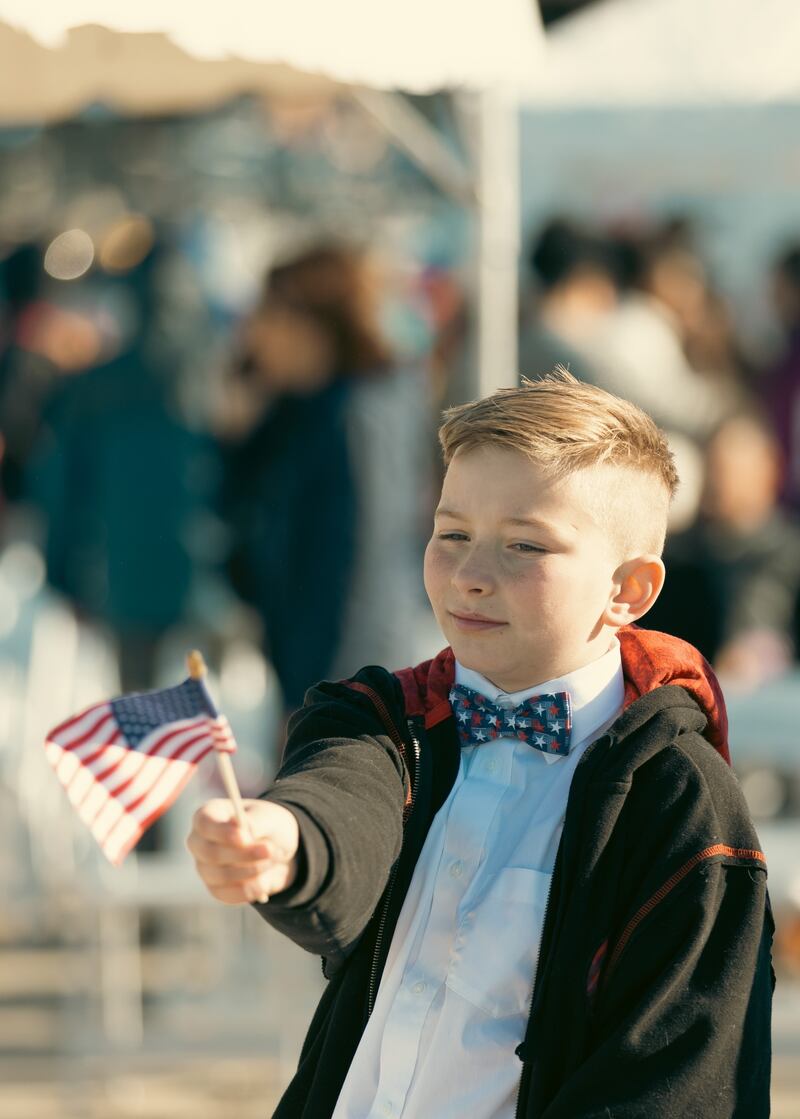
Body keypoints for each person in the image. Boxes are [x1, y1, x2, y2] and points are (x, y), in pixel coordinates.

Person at [188, 369, 773, 1118]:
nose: (469, 574)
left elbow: (674, 1076)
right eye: (451, 533)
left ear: (628, 588)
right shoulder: (389, 719)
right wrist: (290, 839)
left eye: (525, 545)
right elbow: (344, 799)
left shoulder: (678, 799)